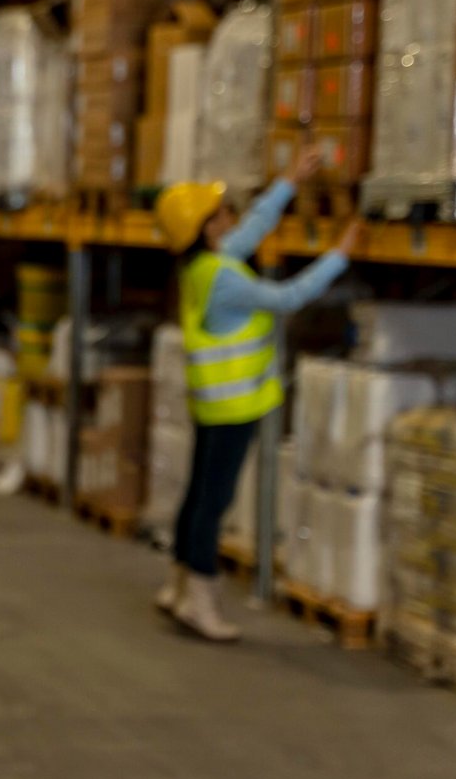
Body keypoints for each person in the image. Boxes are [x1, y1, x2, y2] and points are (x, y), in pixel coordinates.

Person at [153, 151, 362, 642]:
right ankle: (200, 602)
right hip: (234, 405)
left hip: (214, 402)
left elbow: (250, 230)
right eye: (222, 213)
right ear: (208, 229)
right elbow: (288, 298)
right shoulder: (224, 277)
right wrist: (340, 255)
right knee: (214, 499)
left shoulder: (204, 266)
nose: (231, 217)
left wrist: (288, 182)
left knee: (198, 492)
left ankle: (179, 586)